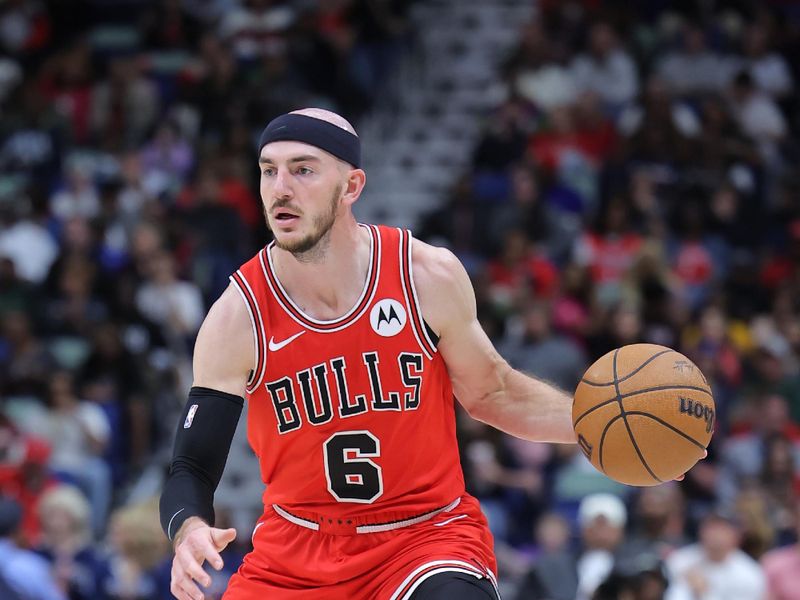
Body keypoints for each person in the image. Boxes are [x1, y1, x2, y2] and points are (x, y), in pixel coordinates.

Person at [157, 108, 685, 599]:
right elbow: (191, 466)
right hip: (297, 551)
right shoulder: (238, 314)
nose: (281, 189)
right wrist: (189, 529)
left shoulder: (422, 274)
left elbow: (492, 392)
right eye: (269, 171)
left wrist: (607, 422)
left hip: (424, 538)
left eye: (303, 170)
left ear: (352, 185)